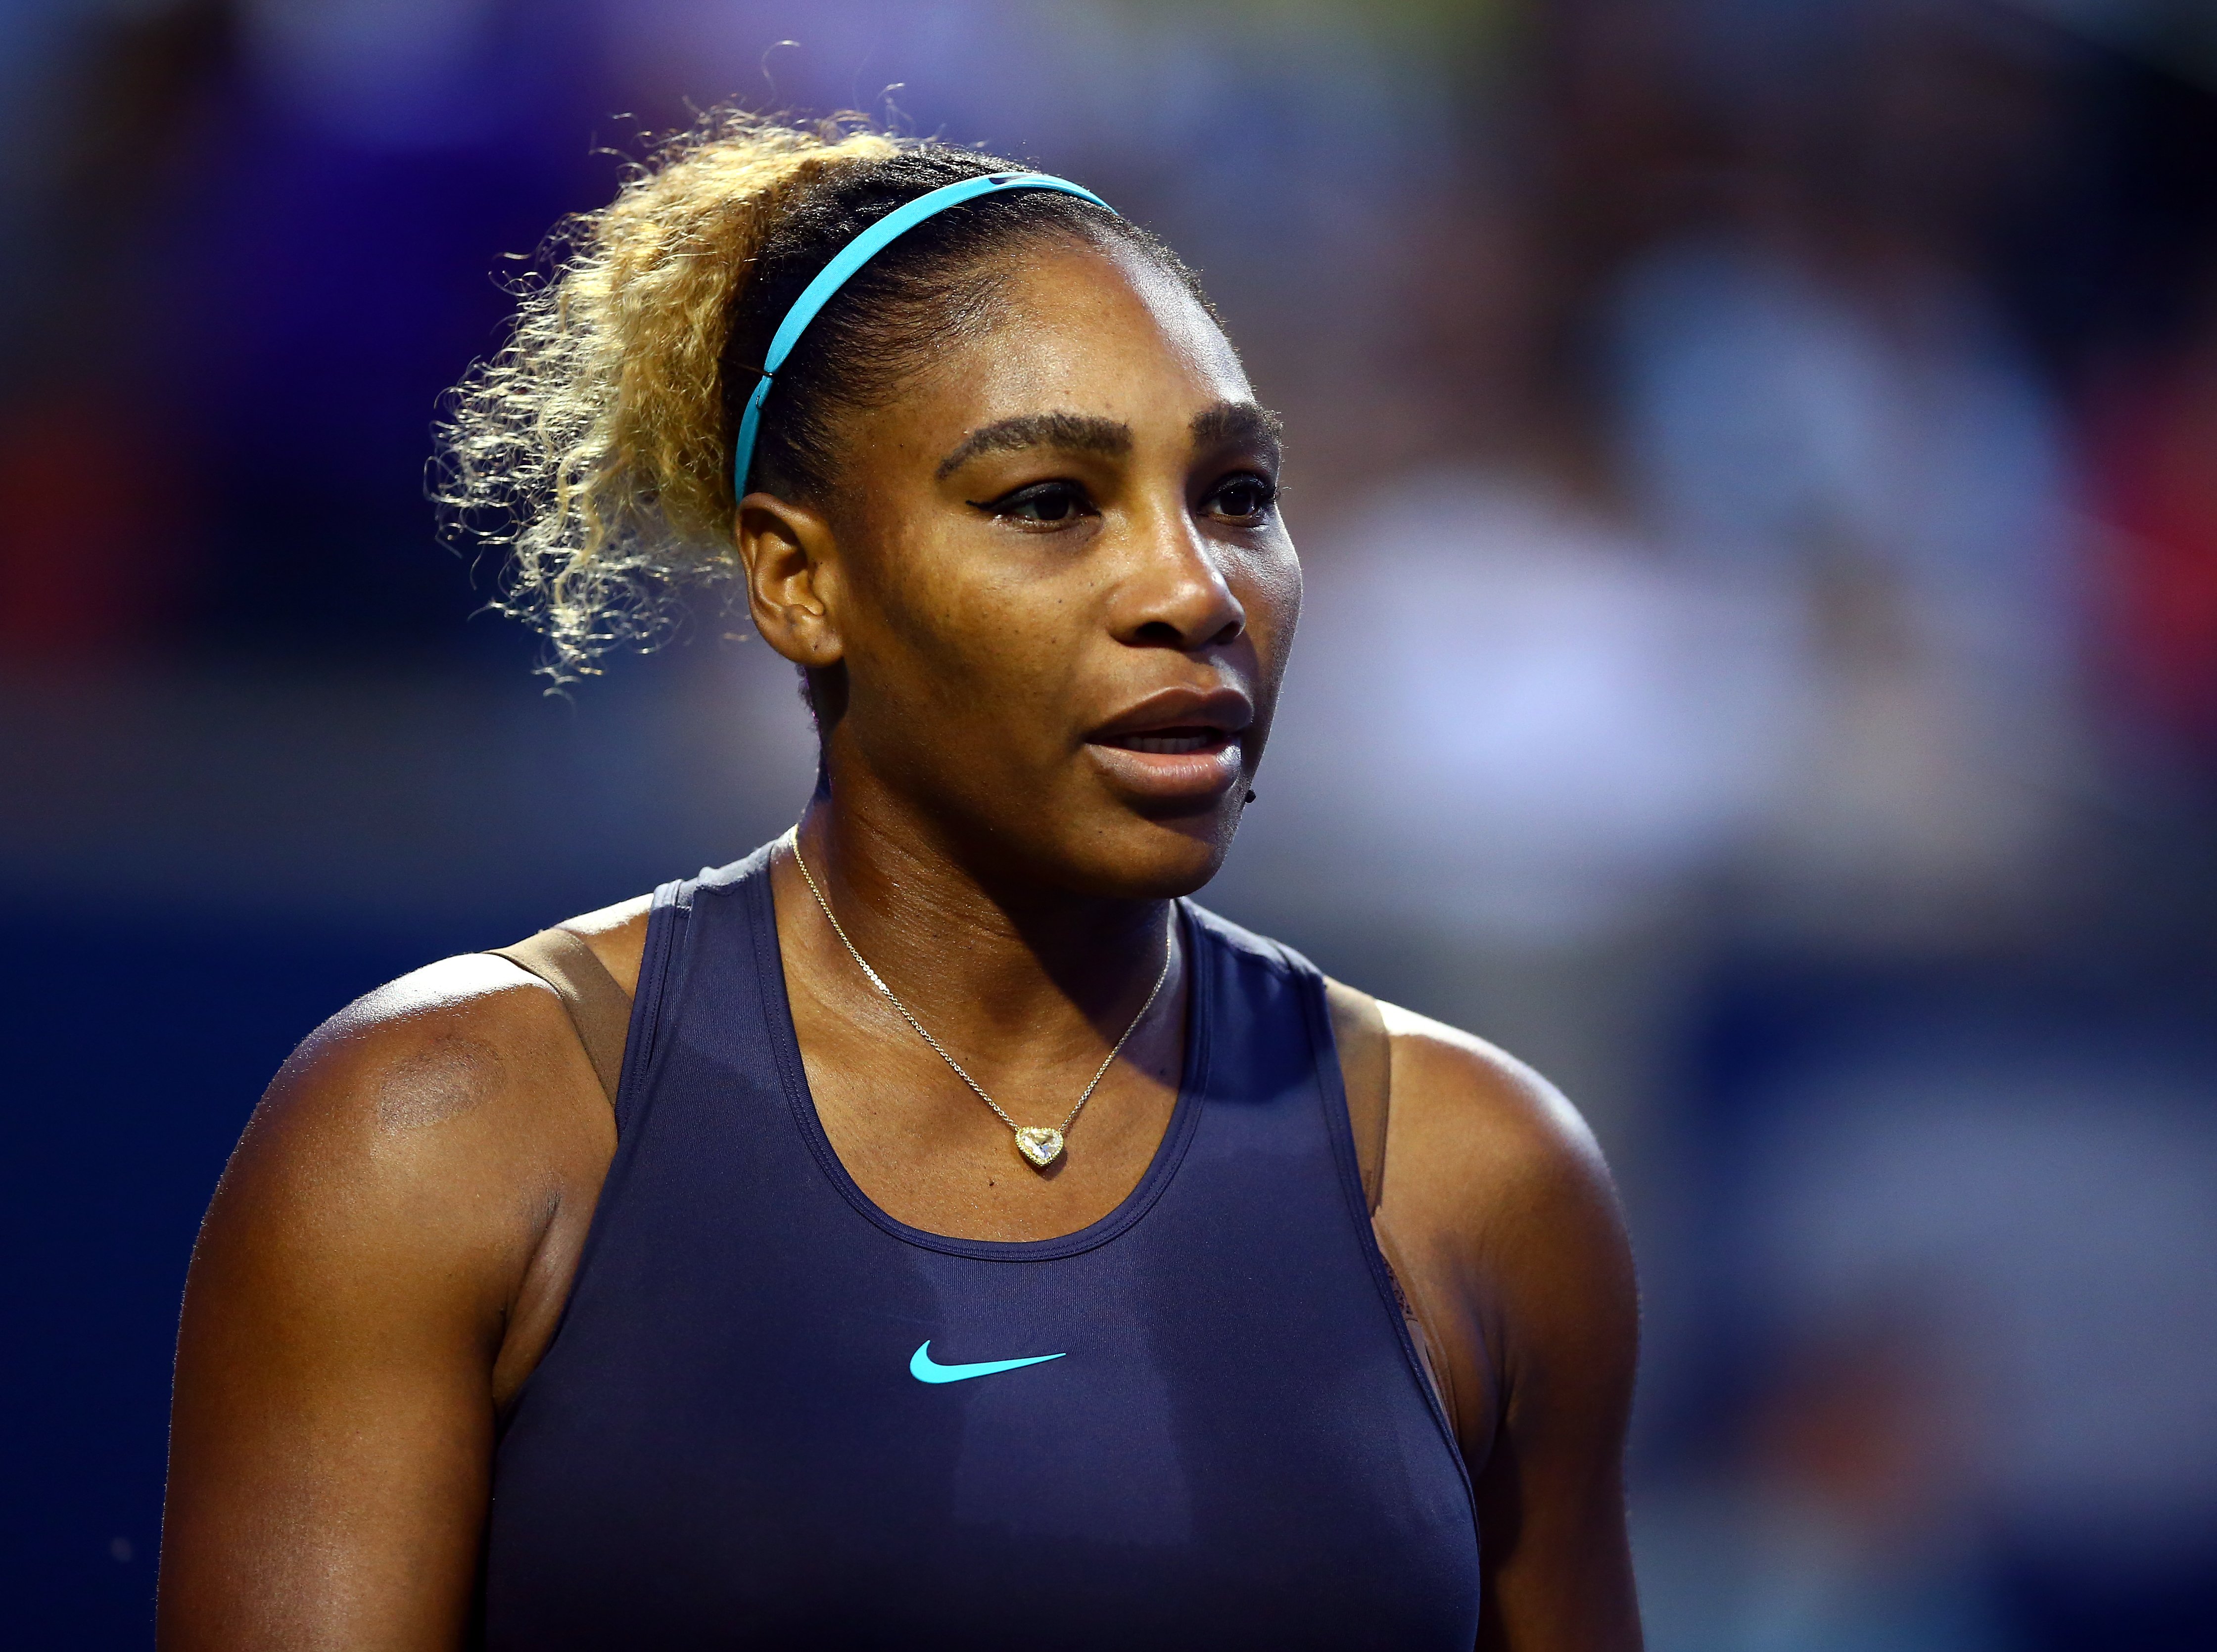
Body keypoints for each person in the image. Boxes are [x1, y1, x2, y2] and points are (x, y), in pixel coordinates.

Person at [157, 116, 1641, 1650]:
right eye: (1049, 502)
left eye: (1237, 493)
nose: (1192, 591)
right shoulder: (434, 1127)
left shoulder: (1486, 1178)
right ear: (798, 580)